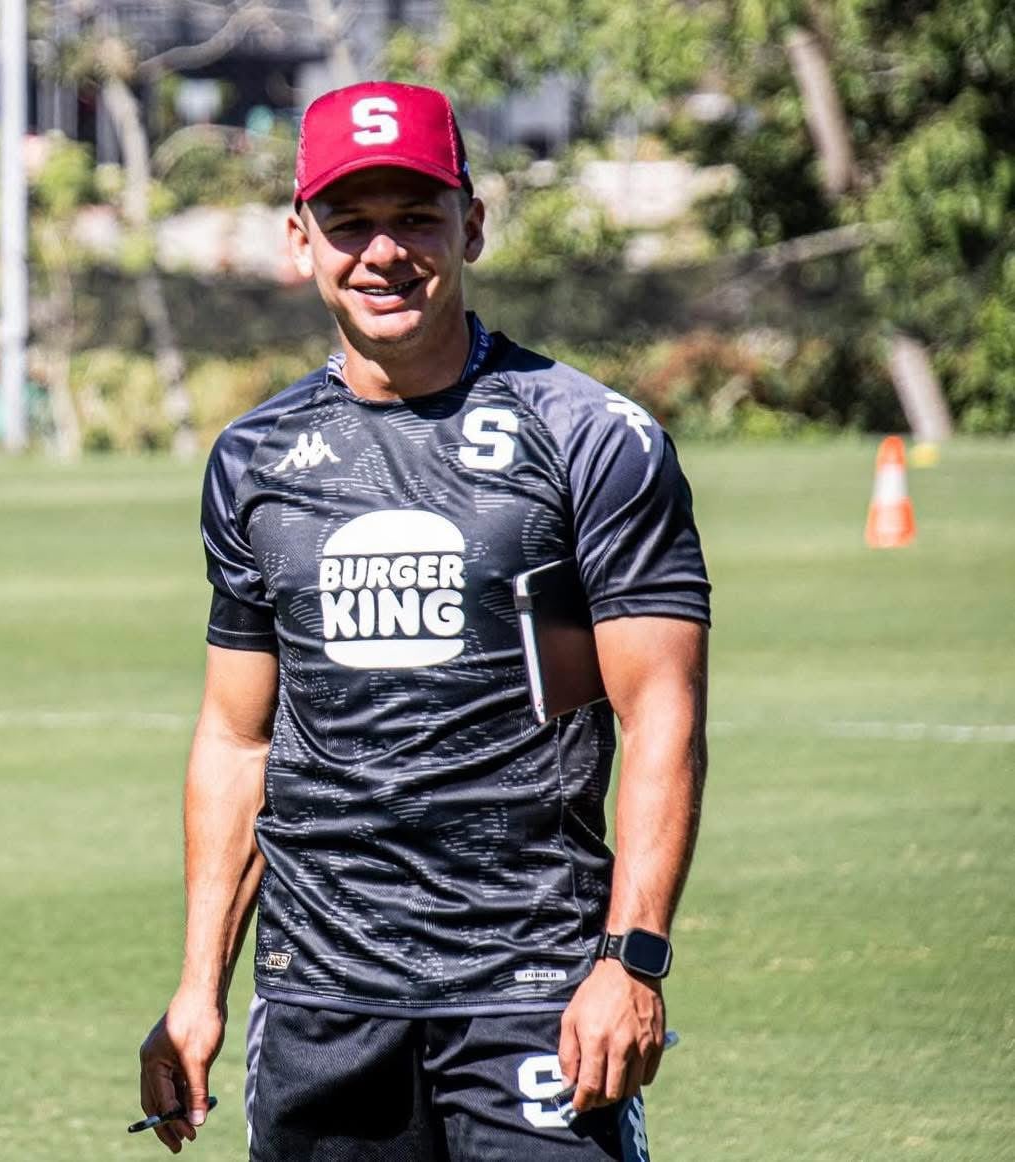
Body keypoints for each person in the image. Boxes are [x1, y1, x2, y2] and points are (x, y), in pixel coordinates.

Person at [138, 80, 710, 1161]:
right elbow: (237, 737)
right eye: (350, 222)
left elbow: (663, 716)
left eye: (415, 216)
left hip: (532, 988)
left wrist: (630, 960)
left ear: (473, 223)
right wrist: (198, 989)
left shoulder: (591, 438)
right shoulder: (252, 461)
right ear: (299, 240)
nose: (383, 252)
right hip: (320, 997)